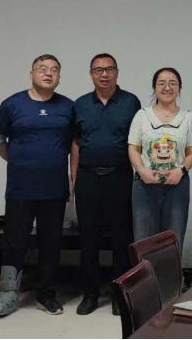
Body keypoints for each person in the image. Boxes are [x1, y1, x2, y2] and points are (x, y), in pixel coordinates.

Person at [0, 55, 74, 317]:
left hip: (54, 189)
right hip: (20, 188)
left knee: (51, 243)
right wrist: (16, 159)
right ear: (31, 74)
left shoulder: (68, 107)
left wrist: (73, 179)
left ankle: (46, 294)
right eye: (43, 69)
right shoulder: (12, 104)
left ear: (59, 77)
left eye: (54, 70)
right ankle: (8, 294)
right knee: (14, 241)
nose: (48, 73)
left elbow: (75, 144)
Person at [71, 54, 140, 316]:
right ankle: (90, 294)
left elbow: (137, 141)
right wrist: (74, 180)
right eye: (98, 70)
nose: (104, 74)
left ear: (117, 73)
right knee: (88, 238)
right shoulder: (80, 104)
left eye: (109, 69)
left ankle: (118, 296)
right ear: (91, 74)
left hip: (120, 177)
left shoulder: (130, 102)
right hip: (88, 178)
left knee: (122, 238)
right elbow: (76, 143)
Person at [128, 68, 192, 251]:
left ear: (180, 88)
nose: (167, 88)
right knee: (143, 241)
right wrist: (142, 171)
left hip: (177, 186)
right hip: (144, 185)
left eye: (173, 83)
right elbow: (133, 148)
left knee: (173, 241)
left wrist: (180, 171)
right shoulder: (142, 115)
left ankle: (171, 272)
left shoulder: (188, 118)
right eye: (162, 83)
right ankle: (145, 272)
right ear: (154, 87)